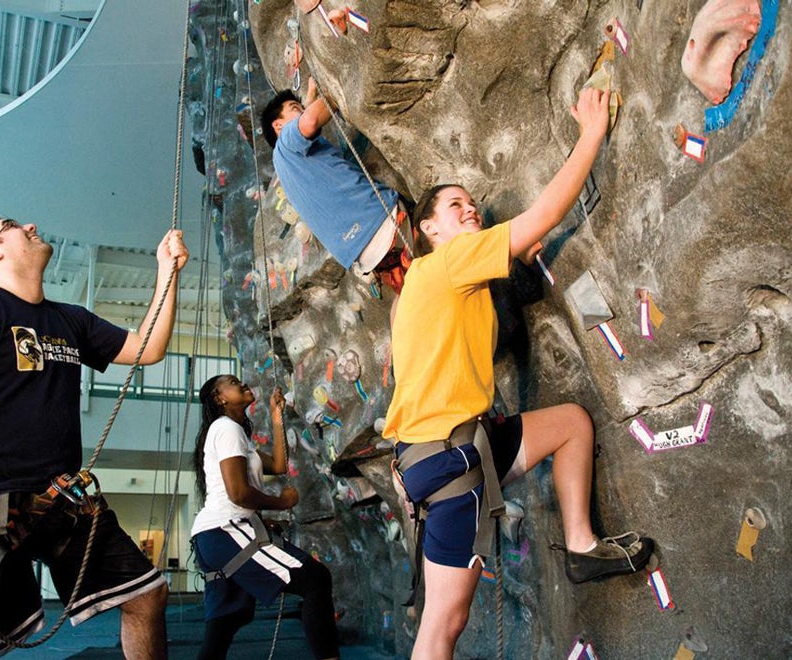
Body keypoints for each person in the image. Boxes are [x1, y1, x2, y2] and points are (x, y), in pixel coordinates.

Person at [383, 88, 655, 659]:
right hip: (452, 458)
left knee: (571, 425)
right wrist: (591, 134)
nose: (470, 210)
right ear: (429, 228)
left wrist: (519, 262)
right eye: (455, 206)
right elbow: (544, 215)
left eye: (472, 204)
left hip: (449, 451)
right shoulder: (449, 262)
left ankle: (581, 545)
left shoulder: (435, 286)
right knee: (443, 624)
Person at [0, 216, 188, 659]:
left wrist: (166, 272)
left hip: (61, 502)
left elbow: (147, 348)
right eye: (10, 225)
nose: (30, 225)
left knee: (146, 594)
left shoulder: (69, 319)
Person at [190, 374, 339, 660]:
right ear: (219, 398)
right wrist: (282, 502)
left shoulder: (237, 435)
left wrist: (275, 415)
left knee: (225, 621)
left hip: (215, 536)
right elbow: (238, 494)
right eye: (232, 382)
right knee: (315, 578)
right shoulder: (226, 428)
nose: (242, 383)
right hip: (226, 529)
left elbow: (280, 465)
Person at [261, 77, 411, 293]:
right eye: (294, 108)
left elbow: (305, 117)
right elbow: (309, 121)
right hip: (382, 223)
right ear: (278, 125)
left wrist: (311, 94)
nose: (302, 110)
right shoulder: (286, 141)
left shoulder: (288, 167)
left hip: (367, 255)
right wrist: (332, 90)